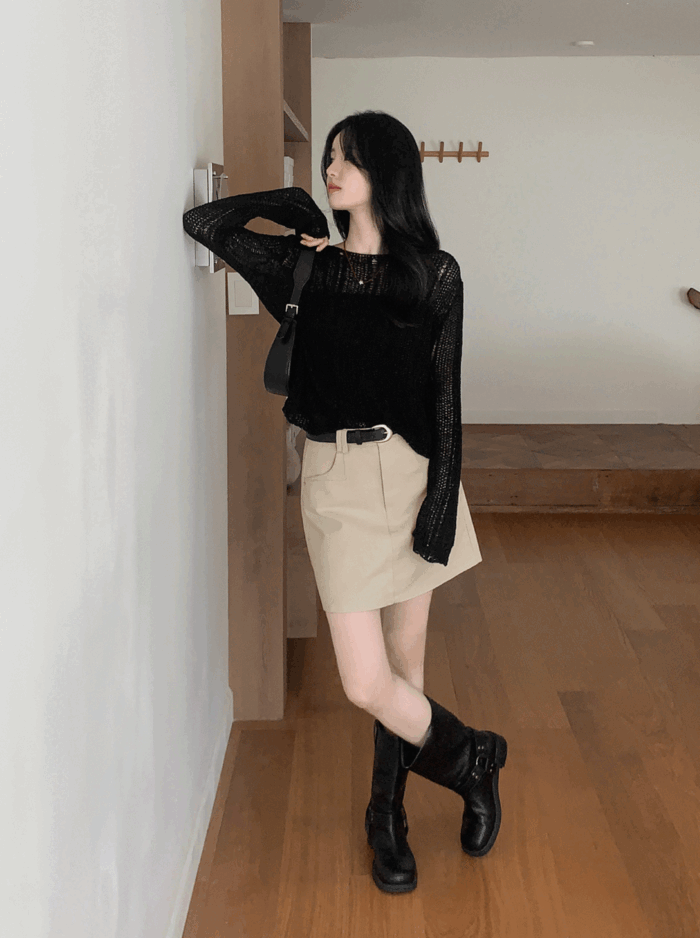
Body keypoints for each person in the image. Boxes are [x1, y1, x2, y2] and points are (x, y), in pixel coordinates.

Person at [183, 110, 507, 895]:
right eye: (328, 156)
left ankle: (386, 816)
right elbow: (206, 224)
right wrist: (294, 207)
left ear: (386, 173)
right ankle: (472, 759)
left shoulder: (434, 273)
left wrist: (440, 504)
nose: (332, 170)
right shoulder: (303, 269)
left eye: (348, 159)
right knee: (367, 682)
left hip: (415, 474)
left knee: (404, 670)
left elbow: (446, 401)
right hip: (335, 481)